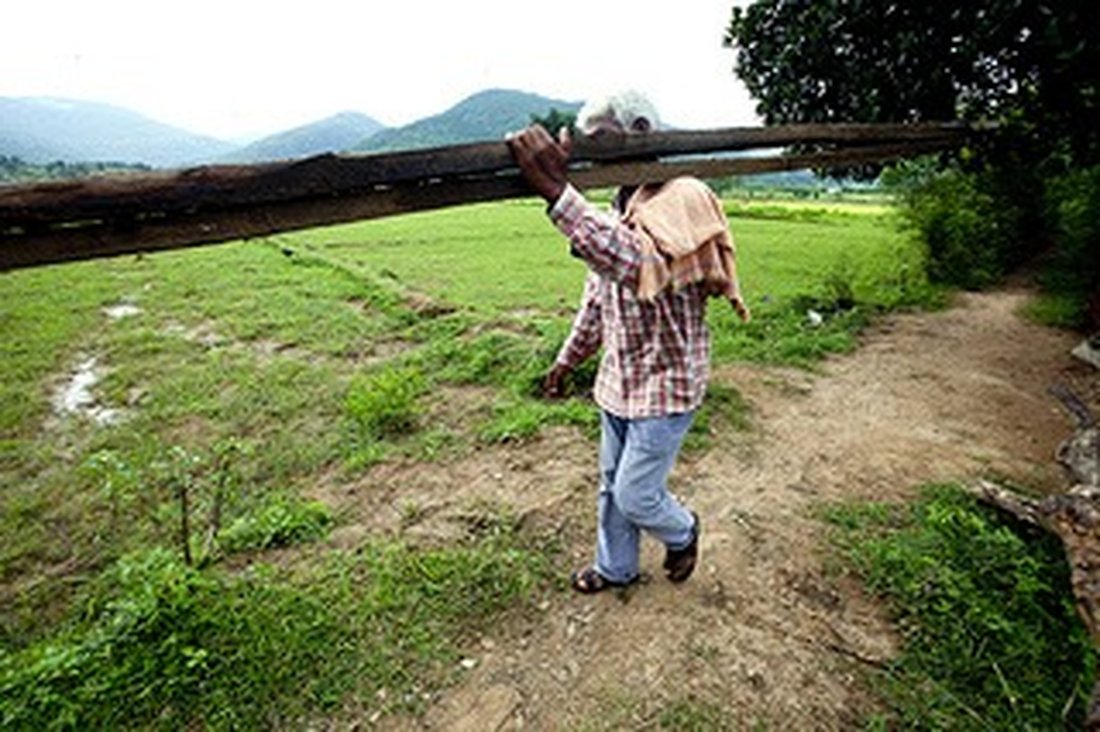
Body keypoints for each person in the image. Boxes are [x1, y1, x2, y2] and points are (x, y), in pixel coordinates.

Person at [506, 90, 750, 594]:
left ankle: (682, 531)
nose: (595, 156)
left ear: (640, 132)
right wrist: (566, 360)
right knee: (610, 487)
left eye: (603, 142)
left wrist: (557, 193)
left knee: (635, 493)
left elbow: (639, 262)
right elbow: (597, 300)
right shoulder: (617, 209)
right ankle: (615, 567)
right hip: (619, 380)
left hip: (667, 385)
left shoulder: (684, 196)